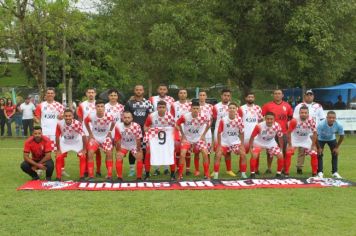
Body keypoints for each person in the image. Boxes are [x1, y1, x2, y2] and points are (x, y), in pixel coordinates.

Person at [176, 101, 211, 180]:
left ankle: (206, 174)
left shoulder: (203, 116)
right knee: (182, 154)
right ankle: (180, 174)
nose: (195, 110)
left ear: (199, 109)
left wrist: (203, 135)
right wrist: (182, 134)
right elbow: (177, 124)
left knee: (205, 153)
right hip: (187, 138)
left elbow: (209, 124)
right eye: (194, 108)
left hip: (198, 138)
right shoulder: (185, 116)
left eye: (197, 108)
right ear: (191, 109)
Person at [293, 89, 325, 174]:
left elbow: (322, 120)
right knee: (301, 151)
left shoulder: (318, 106)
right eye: (307, 95)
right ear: (304, 96)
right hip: (303, 131)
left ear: (313, 96)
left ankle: (318, 169)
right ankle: (299, 168)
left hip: (315, 132)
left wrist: (320, 131)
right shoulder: (299, 106)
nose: (309, 96)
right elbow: (295, 119)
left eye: (311, 95)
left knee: (317, 150)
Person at [262, 89, 293, 174]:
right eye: (275, 93)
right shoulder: (267, 105)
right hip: (270, 132)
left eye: (279, 94)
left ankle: (282, 168)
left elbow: (290, 118)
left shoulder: (287, 106)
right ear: (273, 95)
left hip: (283, 132)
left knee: (283, 150)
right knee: (269, 151)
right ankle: (269, 168)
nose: (277, 95)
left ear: (282, 95)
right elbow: (263, 118)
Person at [125, 85, 153, 177]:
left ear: (143, 91)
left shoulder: (148, 103)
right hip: (132, 130)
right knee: (132, 149)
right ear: (134, 91)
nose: (138, 91)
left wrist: (150, 127)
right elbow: (125, 116)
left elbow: (152, 116)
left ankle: (144, 168)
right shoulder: (129, 103)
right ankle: (132, 169)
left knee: (144, 149)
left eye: (140, 90)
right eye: (137, 89)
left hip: (145, 130)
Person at [144, 100, 176, 180]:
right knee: (148, 153)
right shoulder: (151, 116)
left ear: (166, 108)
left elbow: (175, 128)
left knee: (171, 153)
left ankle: (172, 174)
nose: (161, 109)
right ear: (157, 108)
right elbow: (145, 127)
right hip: (154, 139)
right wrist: (149, 129)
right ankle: (147, 174)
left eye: (163, 107)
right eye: (159, 107)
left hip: (167, 140)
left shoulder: (170, 116)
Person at [213, 102, 246, 179]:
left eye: (233, 108)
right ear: (228, 109)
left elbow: (242, 133)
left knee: (243, 154)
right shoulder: (223, 120)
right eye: (230, 108)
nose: (232, 109)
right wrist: (219, 145)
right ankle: (216, 175)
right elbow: (219, 133)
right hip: (225, 143)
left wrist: (241, 144)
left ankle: (243, 174)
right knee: (218, 155)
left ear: (236, 110)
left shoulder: (239, 120)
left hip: (235, 142)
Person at [85, 100, 115, 181]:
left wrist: (110, 131)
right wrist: (90, 133)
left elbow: (113, 122)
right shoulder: (91, 115)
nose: (100, 108)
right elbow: (85, 122)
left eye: (102, 106)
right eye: (98, 106)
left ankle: (109, 175)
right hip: (95, 137)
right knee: (90, 153)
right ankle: (91, 176)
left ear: (104, 108)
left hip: (105, 137)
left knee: (109, 153)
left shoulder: (109, 115)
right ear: (95, 107)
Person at [149, 84, 175, 175]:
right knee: (155, 149)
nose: (162, 91)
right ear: (158, 90)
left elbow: (172, 112)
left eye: (164, 89)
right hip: (155, 128)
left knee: (166, 149)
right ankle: (156, 169)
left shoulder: (171, 99)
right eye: (161, 89)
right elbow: (150, 111)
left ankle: (166, 168)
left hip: (167, 128)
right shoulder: (152, 99)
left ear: (167, 90)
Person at [249, 112, 285, 178]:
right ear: (265, 118)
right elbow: (252, 136)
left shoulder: (277, 126)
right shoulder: (259, 126)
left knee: (280, 155)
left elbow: (280, 137)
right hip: (259, 143)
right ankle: (252, 174)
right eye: (268, 119)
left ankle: (278, 174)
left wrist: (281, 148)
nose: (269, 120)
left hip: (271, 143)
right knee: (254, 155)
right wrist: (251, 147)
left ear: (274, 119)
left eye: (271, 119)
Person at [285, 106, 318, 177]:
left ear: (308, 114)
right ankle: (286, 172)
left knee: (314, 153)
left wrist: (313, 145)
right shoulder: (294, 120)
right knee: (288, 153)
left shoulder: (311, 120)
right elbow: (288, 132)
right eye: (302, 112)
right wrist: (290, 144)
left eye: (305, 113)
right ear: (299, 113)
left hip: (306, 139)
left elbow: (315, 133)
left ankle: (314, 173)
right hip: (295, 139)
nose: (303, 114)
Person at [55, 109, 87, 181]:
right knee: (58, 157)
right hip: (65, 142)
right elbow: (57, 136)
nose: (68, 117)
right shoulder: (60, 123)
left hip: (76, 142)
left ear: (72, 116)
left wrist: (84, 149)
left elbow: (83, 136)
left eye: (69, 116)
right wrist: (58, 149)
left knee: (82, 156)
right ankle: (58, 177)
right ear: (63, 116)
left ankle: (82, 176)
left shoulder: (77, 123)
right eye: (66, 116)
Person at [77, 88, 102, 176]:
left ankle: (98, 171)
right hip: (86, 131)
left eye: (92, 92)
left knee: (98, 151)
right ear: (86, 94)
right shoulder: (82, 105)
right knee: (88, 151)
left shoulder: (100, 104)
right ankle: (87, 170)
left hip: (98, 131)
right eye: (89, 92)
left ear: (95, 94)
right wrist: (81, 131)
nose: (91, 94)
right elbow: (80, 119)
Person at [238, 92, 263, 174]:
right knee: (243, 153)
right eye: (249, 97)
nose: (250, 98)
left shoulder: (258, 108)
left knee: (256, 153)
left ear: (254, 98)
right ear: (246, 98)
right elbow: (238, 121)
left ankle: (256, 169)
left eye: (252, 97)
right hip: (245, 134)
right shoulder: (241, 108)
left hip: (255, 135)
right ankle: (241, 169)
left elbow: (260, 121)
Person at [212, 89, 235, 177]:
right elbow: (214, 118)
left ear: (230, 97)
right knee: (218, 151)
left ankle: (229, 170)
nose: (226, 97)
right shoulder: (216, 107)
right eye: (225, 95)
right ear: (221, 96)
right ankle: (215, 170)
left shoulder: (233, 106)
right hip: (219, 131)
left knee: (228, 152)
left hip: (229, 132)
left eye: (228, 95)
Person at [114, 111, 143, 181]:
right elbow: (117, 140)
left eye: (128, 117)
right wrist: (118, 151)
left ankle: (139, 177)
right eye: (125, 117)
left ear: (132, 118)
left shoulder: (136, 126)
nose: (127, 119)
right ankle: (119, 177)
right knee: (118, 156)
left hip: (134, 145)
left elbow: (138, 139)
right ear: (122, 118)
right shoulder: (118, 126)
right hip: (123, 145)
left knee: (139, 156)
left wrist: (138, 150)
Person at [316, 111, 345, 179]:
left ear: (335, 118)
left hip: (331, 139)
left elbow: (342, 136)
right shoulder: (321, 124)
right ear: (326, 118)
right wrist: (318, 147)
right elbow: (316, 136)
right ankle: (320, 172)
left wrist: (337, 147)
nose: (332, 119)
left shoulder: (339, 124)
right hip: (320, 139)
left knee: (335, 153)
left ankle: (334, 172)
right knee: (319, 154)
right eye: (330, 118)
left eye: (333, 118)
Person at [170, 88, 192, 175]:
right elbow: (171, 117)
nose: (182, 94)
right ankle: (178, 168)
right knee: (178, 150)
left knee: (188, 150)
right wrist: (175, 126)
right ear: (178, 95)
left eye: (184, 93)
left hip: (187, 130)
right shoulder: (174, 105)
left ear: (186, 95)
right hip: (177, 129)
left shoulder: (190, 105)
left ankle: (187, 169)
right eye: (181, 93)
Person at [194, 90, 213, 176]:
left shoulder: (210, 106)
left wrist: (205, 133)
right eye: (200, 95)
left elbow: (211, 120)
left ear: (206, 97)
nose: (202, 97)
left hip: (207, 132)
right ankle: (197, 170)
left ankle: (207, 170)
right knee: (197, 152)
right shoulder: (195, 106)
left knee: (207, 152)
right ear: (198, 97)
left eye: (203, 95)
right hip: (197, 132)